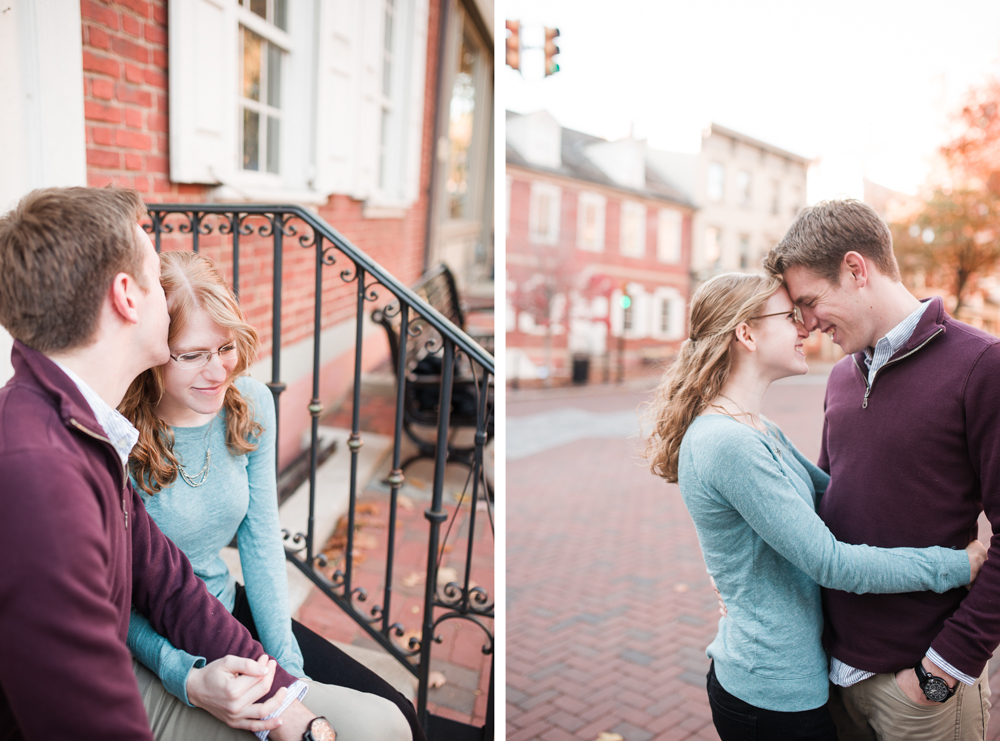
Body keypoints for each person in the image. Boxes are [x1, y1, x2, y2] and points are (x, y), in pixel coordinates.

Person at [0, 187, 333, 740]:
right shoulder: (39, 471)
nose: (215, 369)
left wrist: (287, 704)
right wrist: (191, 678)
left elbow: (167, 580)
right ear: (128, 296)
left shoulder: (86, 424)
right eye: (157, 278)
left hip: (211, 624)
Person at [643, 271, 987, 741]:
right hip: (771, 693)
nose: (805, 327)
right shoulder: (727, 442)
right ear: (745, 333)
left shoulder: (757, 427)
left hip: (799, 679)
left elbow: (835, 495)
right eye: (789, 316)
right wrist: (955, 566)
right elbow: (830, 562)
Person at [119, 250, 419, 741]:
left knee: (398, 711)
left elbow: (261, 542)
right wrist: (183, 674)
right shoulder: (121, 437)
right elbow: (119, 598)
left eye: (226, 347)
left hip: (222, 606)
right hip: (154, 640)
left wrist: (292, 671)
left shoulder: (250, 404)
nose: (217, 371)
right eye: (192, 355)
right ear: (155, 354)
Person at [763, 198, 1000, 740]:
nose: (805, 323)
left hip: (919, 690)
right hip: (833, 679)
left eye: (809, 301)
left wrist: (937, 675)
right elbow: (827, 515)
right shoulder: (842, 376)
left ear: (855, 269)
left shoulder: (982, 366)